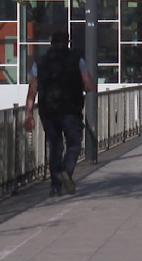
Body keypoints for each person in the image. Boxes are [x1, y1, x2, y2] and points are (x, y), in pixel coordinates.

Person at [23, 31, 96, 197]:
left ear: (51, 43)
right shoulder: (77, 59)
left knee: (55, 146)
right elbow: (89, 85)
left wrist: (28, 114)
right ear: (67, 42)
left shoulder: (39, 62)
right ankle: (66, 171)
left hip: (47, 111)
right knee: (74, 143)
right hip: (71, 110)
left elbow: (32, 89)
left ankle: (55, 187)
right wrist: (81, 87)